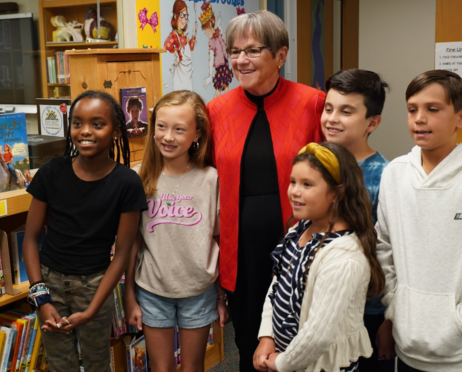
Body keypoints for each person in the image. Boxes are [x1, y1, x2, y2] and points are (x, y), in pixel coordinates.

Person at [376, 70, 462, 371]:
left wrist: (460, 326)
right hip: (408, 343)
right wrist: (395, 308)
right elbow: (384, 247)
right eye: (412, 109)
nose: (419, 118)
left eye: (433, 109)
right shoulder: (395, 173)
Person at [207, 10, 324, 371]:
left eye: (254, 50)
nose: (241, 60)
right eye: (235, 51)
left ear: (281, 55)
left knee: (298, 338)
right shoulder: (216, 110)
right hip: (240, 250)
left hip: (298, 242)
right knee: (248, 343)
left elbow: (331, 177)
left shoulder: (313, 103)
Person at [22, 91, 148, 372]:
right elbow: (30, 240)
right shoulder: (52, 171)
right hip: (49, 284)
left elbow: (123, 253)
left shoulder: (126, 183)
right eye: (77, 123)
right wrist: (41, 299)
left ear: (117, 131)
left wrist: (91, 311)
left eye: (97, 124)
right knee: (60, 364)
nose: (85, 131)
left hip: (95, 287)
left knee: (96, 363)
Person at [254, 142, 385, 372]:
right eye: (293, 181)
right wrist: (267, 336)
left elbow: (318, 335)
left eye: (307, 184)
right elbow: (276, 287)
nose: (294, 191)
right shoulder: (300, 229)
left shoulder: (345, 258)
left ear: (337, 193)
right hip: (288, 357)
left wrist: (282, 363)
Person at [124, 90, 228, 372]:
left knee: (193, 367)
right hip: (152, 291)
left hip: (198, 290)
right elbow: (132, 243)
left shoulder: (211, 179)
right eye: (161, 126)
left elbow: (218, 239)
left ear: (197, 134)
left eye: (179, 129)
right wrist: (129, 296)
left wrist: (220, 295)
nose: (168, 136)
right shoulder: (138, 178)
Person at [322, 69, 394, 371]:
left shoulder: (385, 177)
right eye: (328, 108)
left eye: (346, 111)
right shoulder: (314, 163)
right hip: (320, 304)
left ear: (372, 122)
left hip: (366, 311)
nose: (332, 118)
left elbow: (391, 254)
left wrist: (388, 320)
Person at [199, 1, 233, 97]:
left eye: (205, 30)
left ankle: (226, 107)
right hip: (219, 67)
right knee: (218, 89)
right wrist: (210, 75)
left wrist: (220, 25)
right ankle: (214, 108)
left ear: (210, 26)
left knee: (226, 87)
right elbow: (211, 58)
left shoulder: (218, 33)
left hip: (225, 63)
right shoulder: (211, 42)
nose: (205, 33)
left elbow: (225, 43)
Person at [164, 0, 197, 91]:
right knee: (180, 95)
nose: (184, 19)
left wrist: (194, 33)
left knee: (188, 94)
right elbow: (167, 45)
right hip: (180, 72)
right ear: (175, 15)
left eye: (186, 16)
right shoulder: (174, 34)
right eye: (182, 15)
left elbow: (191, 47)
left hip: (188, 71)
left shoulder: (184, 35)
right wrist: (176, 53)